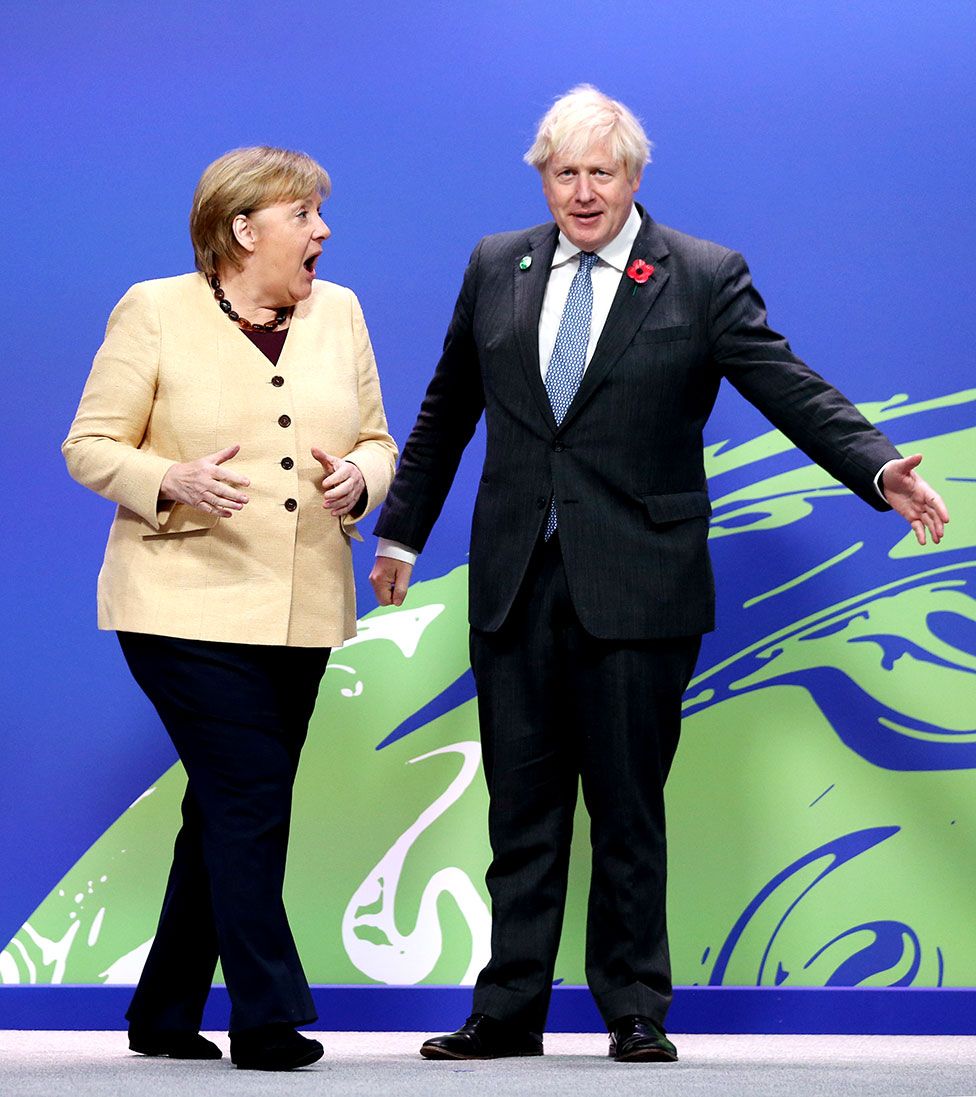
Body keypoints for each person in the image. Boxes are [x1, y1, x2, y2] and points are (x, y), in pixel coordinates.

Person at [369, 86, 949, 1063]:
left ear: (633, 176)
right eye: (564, 172)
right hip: (515, 577)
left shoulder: (699, 274)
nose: (582, 191)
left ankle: (633, 1007)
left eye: (601, 172)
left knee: (629, 803)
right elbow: (445, 407)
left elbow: (784, 381)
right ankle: (506, 1009)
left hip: (642, 582)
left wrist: (876, 464)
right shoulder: (492, 265)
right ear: (541, 176)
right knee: (519, 806)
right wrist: (399, 534)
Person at [63, 146, 397, 1071]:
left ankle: (165, 1011)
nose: (323, 231)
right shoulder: (154, 309)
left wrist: (360, 483)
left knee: (223, 808)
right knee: (250, 794)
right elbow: (89, 445)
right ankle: (267, 1011)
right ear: (245, 229)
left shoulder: (342, 312)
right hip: (178, 603)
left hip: (302, 610)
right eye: (305, 215)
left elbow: (378, 436)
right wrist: (166, 476)